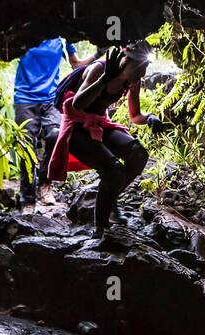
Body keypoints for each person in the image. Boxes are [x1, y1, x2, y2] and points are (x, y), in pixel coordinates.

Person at [47, 42, 166, 240]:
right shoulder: (99, 69)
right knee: (113, 171)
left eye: (145, 68)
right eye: (140, 67)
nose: (143, 73)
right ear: (126, 62)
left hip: (100, 124)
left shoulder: (132, 81)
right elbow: (78, 104)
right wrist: (105, 79)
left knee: (138, 154)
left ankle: (110, 199)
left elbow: (135, 115)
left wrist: (150, 118)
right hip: (77, 127)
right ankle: (100, 230)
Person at [13, 35, 85, 214]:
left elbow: (76, 64)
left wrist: (100, 53)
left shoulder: (63, 38)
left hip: (51, 98)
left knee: (55, 134)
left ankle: (45, 184)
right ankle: (27, 199)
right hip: (25, 98)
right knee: (26, 146)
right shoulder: (26, 32)